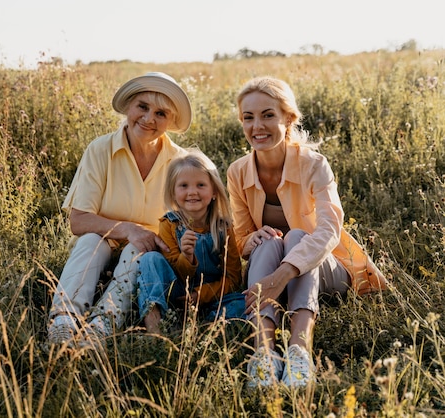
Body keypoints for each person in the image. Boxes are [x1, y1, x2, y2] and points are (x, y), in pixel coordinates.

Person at [226, 76, 387, 388]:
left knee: (299, 236)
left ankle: (300, 350)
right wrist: (252, 240)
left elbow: (329, 230)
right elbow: (241, 236)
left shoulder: (314, 164)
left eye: (267, 115)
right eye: (249, 117)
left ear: (288, 118)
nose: (257, 126)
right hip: (270, 269)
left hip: (329, 269)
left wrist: (281, 275)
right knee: (269, 240)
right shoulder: (237, 171)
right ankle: (264, 353)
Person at [47, 72, 193, 346]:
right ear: (128, 106)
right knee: (92, 239)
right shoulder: (100, 150)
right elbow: (78, 222)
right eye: (142, 107)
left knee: (139, 248)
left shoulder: (180, 162)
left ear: (171, 121)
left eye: (160, 113)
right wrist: (127, 229)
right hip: (98, 247)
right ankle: (63, 322)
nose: (149, 119)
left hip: (146, 254)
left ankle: (102, 325)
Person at [137, 149, 245, 334]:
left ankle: (200, 328)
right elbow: (169, 270)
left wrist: (200, 295)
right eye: (184, 185)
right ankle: (155, 328)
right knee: (150, 259)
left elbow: (234, 279)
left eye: (201, 185)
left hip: (212, 298)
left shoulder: (223, 227)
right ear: (173, 192)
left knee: (245, 303)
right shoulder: (169, 224)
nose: (192, 192)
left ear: (214, 192)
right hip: (177, 295)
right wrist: (186, 256)